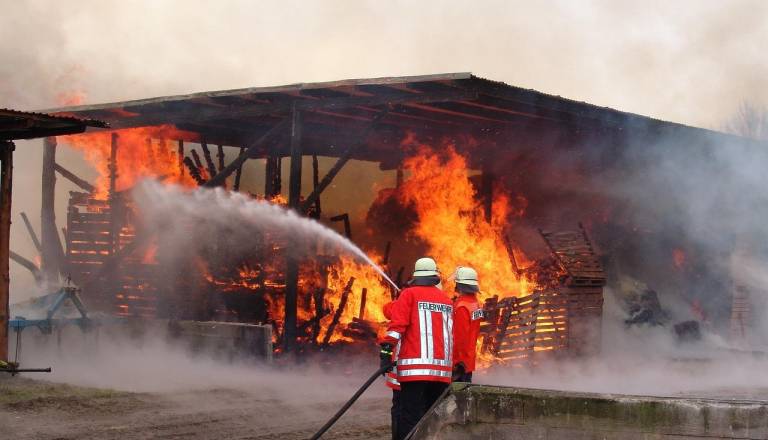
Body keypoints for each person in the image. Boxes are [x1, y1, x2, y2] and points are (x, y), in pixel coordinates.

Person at [380, 257, 453, 440]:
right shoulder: (447, 300)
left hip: (414, 370)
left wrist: (386, 351)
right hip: (441, 372)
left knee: (410, 417)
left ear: (416, 277)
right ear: (434, 278)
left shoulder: (409, 294)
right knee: (431, 418)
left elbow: (397, 326)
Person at [451, 266, 483, 383]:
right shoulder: (475, 303)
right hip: (468, 360)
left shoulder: (462, 307)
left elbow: (460, 339)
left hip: (459, 364)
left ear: (459, 285)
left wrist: (456, 364)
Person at [382, 300, 401, 440]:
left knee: (400, 409)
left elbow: (388, 311)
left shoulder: (402, 306)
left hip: (403, 371)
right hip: (428, 373)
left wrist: (385, 355)